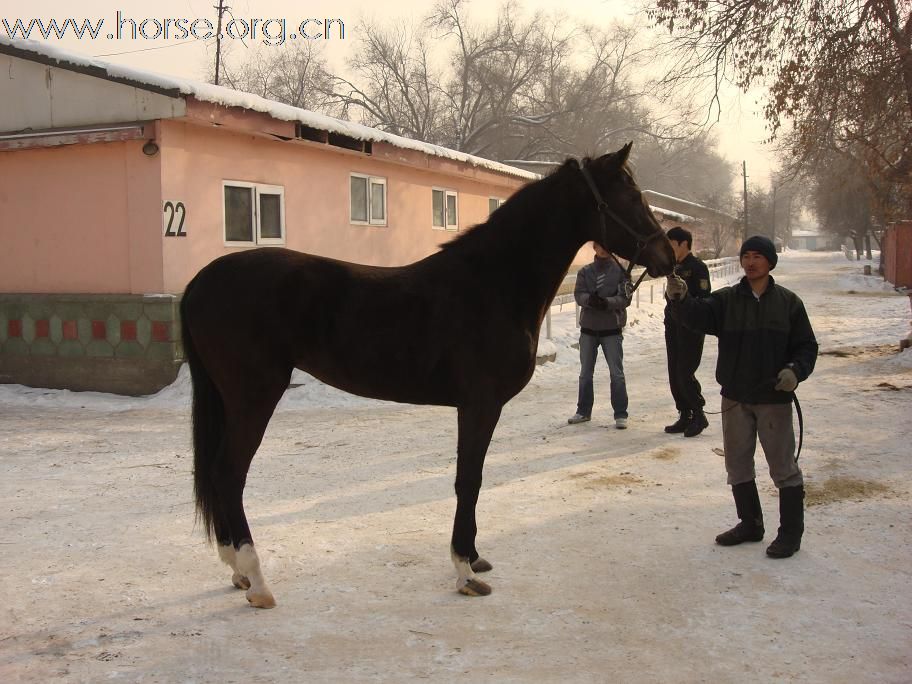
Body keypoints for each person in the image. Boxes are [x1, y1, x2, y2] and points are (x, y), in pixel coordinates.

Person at [665, 235, 818, 558]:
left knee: (783, 467)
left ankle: (790, 533)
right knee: (737, 464)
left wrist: (794, 371)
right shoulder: (727, 301)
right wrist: (679, 300)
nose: (750, 262)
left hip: (773, 398)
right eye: (746, 256)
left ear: (770, 262)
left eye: (757, 256)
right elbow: (697, 316)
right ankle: (750, 523)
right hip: (735, 396)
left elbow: (807, 346)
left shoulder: (789, 303)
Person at [567, 242, 632, 430]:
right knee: (585, 373)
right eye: (599, 246)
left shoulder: (622, 272)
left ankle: (621, 413)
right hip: (588, 329)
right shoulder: (585, 272)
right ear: (594, 247)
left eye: (607, 246)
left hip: (612, 329)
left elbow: (625, 298)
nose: (603, 249)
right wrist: (590, 300)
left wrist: (606, 303)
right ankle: (583, 410)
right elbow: (579, 294)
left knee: (616, 373)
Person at [663, 226, 712, 437]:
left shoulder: (698, 267)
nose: (669, 249)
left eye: (672, 244)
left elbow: (704, 297)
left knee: (685, 371)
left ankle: (698, 414)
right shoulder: (673, 267)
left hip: (691, 326)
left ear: (684, 244)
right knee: (674, 371)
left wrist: (686, 297)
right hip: (673, 324)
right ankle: (684, 414)